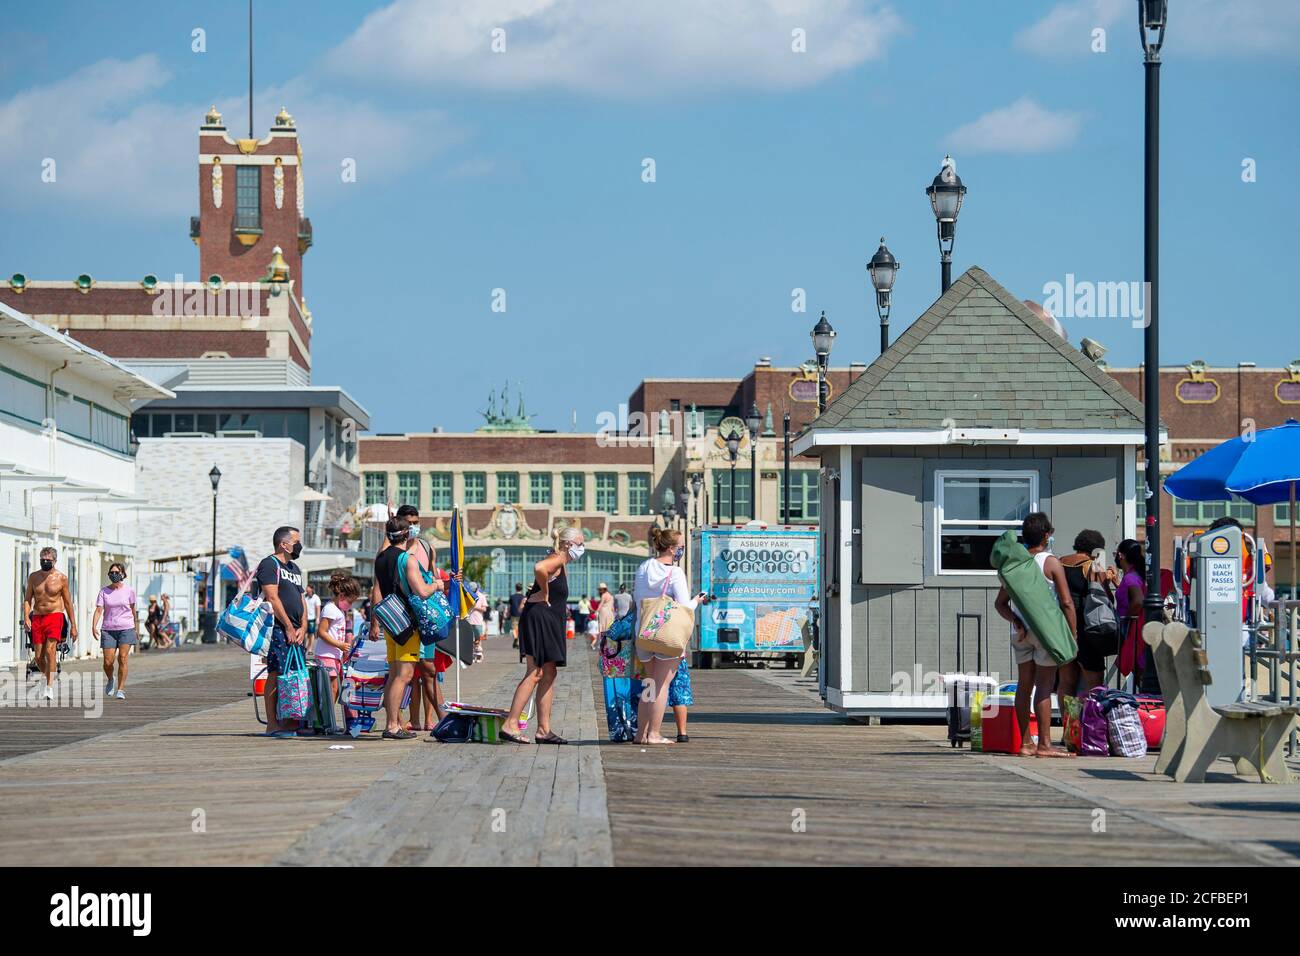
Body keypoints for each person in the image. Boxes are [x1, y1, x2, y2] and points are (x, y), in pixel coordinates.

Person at [993, 512, 1076, 759]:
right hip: (1045, 632)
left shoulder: (1015, 565)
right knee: (1044, 687)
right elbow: (1067, 602)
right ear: (1047, 535)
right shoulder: (1051, 563)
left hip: (1020, 634)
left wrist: (1017, 621)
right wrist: (1072, 635)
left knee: (1024, 687)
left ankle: (1026, 743)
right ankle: (1045, 745)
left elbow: (1000, 604)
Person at [499, 527, 587, 744]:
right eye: (580, 544)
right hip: (540, 619)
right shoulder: (557, 559)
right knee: (535, 672)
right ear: (567, 544)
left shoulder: (560, 562)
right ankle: (511, 723)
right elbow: (539, 567)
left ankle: (543, 729)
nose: (582, 548)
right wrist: (545, 593)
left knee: (549, 672)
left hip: (548, 620)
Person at [632, 528, 711, 745]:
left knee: (649, 684)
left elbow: (637, 597)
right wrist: (698, 600)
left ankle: (641, 733)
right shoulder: (674, 572)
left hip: (644, 631)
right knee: (662, 685)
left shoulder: (644, 567)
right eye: (681, 546)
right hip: (666, 634)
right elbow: (685, 607)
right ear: (671, 548)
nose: (682, 550)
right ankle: (654, 734)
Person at [256, 526, 307, 738]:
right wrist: (287, 626)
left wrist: (303, 626)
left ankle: (288, 721)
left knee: (293, 676)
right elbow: (272, 597)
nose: (299, 545)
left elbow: (300, 598)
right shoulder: (270, 564)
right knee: (276, 673)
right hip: (278, 628)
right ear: (283, 544)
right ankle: (273, 723)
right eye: (296, 541)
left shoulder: (294, 568)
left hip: (297, 630)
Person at [375, 515, 421, 740]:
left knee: (393, 674)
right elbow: (421, 590)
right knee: (405, 674)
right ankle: (393, 725)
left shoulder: (381, 558)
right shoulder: (406, 558)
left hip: (390, 622)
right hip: (405, 623)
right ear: (406, 534)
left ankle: (390, 722)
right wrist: (437, 585)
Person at [1057, 530, 1117, 696]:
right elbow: (1106, 600)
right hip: (1087, 631)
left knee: (1066, 681)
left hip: (1063, 629)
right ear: (1096, 549)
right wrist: (1110, 580)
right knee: (1094, 683)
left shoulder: (1060, 562)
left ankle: (1069, 722)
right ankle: (1090, 721)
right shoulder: (1093, 566)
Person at [22, 546, 77, 701]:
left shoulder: (62, 578)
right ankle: (48, 678)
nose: (45, 562)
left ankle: (49, 687)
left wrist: (73, 625)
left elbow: (67, 602)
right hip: (38, 617)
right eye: (42, 559)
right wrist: (26, 617)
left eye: (48, 560)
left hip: (55, 616)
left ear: (54, 561)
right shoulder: (33, 577)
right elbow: (27, 599)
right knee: (38, 656)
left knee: (50, 650)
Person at [93, 561, 139, 700]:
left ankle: (120, 689)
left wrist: (136, 628)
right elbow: (99, 609)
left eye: (116, 572)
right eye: (111, 573)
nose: (114, 575)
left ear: (123, 574)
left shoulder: (129, 591)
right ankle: (110, 679)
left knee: (123, 658)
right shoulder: (104, 591)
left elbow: (132, 610)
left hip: (126, 628)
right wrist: (94, 626)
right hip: (108, 629)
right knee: (108, 661)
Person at [316, 569, 360, 705]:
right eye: (350, 601)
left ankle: (329, 718)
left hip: (334, 655)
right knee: (332, 689)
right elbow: (321, 632)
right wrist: (339, 645)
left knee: (335, 688)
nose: (350, 605)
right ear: (341, 595)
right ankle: (327, 719)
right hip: (326, 655)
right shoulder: (330, 609)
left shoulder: (339, 610)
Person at [468, 585, 489, 663]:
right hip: (469, 620)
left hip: (478, 620)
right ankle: (473, 654)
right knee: (470, 639)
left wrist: (475, 607)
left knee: (478, 639)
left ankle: (479, 654)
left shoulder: (481, 596)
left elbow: (484, 609)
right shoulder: (467, 594)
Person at [593, 582, 615, 651]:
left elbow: (601, 604)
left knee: (602, 629)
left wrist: (596, 612)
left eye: (600, 590)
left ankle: (603, 644)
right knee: (609, 628)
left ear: (603, 589)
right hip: (610, 614)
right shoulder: (611, 596)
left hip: (603, 613)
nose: (599, 591)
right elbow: (612, 607)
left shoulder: (604, 595)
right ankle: (609, 645)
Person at [507, 583, 525, 649]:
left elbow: (509, 606)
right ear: (522, 588)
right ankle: (518, 642)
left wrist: (508, 613)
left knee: (514, 628)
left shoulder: (512, 596)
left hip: (513, 614)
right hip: (522, 614)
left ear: (515, 588)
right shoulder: (523, 597)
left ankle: (515, 638)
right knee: (520, 628)